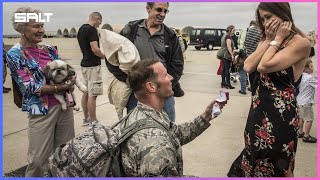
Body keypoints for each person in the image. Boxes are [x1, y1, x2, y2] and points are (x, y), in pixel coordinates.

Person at [228, 2, 311, 177]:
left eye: (268, 17)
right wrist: (269, 39)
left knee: (278, 165)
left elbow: (264, 66)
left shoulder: (300, 43)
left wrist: (278, 39)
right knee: (253, 157)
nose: (265, 23)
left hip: (281, 115)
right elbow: (249, 66)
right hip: (258, 111)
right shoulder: (268, 40)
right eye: (262, 19)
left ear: (282, 14)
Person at [115, 58, 225, 177]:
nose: (171, 77)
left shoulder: (142, 113)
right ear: (151, 87)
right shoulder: (158, 148)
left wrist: (207, 115)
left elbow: (176, 134)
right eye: (166, 75)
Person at [6, 7, 76, 177]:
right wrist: (63, 87)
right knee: (38, 160)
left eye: (42, 25)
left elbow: (65, 73)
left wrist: (70, 82)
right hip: (41, 111)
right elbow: (30, 87)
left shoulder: (50, 50)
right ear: (22, 28)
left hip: (64, 108)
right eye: (36, 26)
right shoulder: (15, 54)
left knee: (65, 153)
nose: (42, 30)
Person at [106, 2, 184, 123]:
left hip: (162, 93)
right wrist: (127, 79)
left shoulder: (170, 35)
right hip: (136, 93)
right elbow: (111, 55)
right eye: (159, 10)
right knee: (134, 128)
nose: (162, 14)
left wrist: (165, 85)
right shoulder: (131, 30)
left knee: (169, 129)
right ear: (148, 9)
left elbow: (177, 65)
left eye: (165, 11)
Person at [77, 12, 105, 126]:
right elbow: (95, 48)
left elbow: (82, 49)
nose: (99, 25)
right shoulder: (92, 30)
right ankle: (94, 121)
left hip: (84, 65)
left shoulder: (81, 29)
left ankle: (86, 119)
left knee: (86, 93)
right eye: (100, 22)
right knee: (93, 95)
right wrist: (104, 56)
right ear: (97, 18)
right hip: (93, 66)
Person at [297, 59, 317, 143]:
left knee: (301, 117)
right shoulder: (309, 78)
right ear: (305, 68)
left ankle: (300, 132)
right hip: (307, 102)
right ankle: (306, 136)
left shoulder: (300, 75)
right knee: (309, 119)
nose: (312, 68)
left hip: (299, 101)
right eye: (311, 66)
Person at [245, 20, 262, 96]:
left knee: (251, 78)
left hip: (249, 57)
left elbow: (246, 42)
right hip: (256, 58)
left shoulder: (249, 30)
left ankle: (253, 96)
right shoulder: (259, 31)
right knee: (257, 81)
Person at [220, 25, 236, 89]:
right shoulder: (228, 36)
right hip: (227, 55)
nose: (234, 31)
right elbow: (229, 46)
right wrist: (232, 55)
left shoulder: (224, 35)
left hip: (223, 55)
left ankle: (223, 83)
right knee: (227, 70)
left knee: (224, 69)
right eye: (234, 30)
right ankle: (228, 84)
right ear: (230, 30)